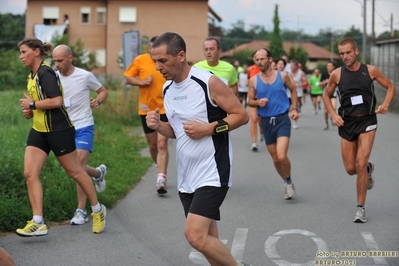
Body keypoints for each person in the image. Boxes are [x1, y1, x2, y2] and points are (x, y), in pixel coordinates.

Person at [146, 32, 250, 266]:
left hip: (212, 170)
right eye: (155, 61)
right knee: (208, 241)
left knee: (194, 235)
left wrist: (209, 129)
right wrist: (159, 126)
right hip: (186, 174)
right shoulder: (167, 89)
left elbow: (242, 116)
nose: (157, 66)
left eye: (162, 60)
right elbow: (178, 131)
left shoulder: (208, 81)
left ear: (181, 55)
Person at [17, 37, 106, 236]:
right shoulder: (32, 76)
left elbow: (56, 101)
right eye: (20, 53)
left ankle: (97, 210)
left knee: (76, 172)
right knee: (30, 173)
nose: (21, 56)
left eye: (24, 52)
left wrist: (32, 105)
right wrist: (30, 111)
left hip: (59, 130)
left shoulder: (46, 73)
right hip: (39, 130)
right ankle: (38, 221)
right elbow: (40, 103)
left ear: (36, 52)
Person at [323, 38, 396, 223]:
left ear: (356, 52)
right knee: (350, 168)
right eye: (342, 54)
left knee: (360, 163)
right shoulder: (337, 74)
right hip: (346, 123)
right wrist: (333, 114)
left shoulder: (370, 70)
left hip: (367, 120)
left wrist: (385, 104)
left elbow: (391, 86)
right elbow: (326, 94)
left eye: (348, 52)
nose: (345, 56)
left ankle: (360, 209)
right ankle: (368, 170)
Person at [53, 44, 109, 225]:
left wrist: (97, 101)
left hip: (84, 126)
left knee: (77, 167)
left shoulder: (85, 76)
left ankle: (81, 211)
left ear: (70, 58)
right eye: (55, 61)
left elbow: (103, 91)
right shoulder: (53, 77)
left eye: (60, 60)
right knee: (76, 168)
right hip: (64, 128)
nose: (57, 64)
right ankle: (98, 173)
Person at [248, 48, 299, 200]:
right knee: (275, 159)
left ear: (270, 59)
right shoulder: (254, 80)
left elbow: (294, 90)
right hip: (266, 122)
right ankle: (286, 181)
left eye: (262, 59)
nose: (259, 62)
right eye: (257, 60)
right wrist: (257, 102)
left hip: (282, 119)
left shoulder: (283, 76)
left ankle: (289, 180)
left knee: (282, 156)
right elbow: (249, 101)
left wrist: (294, 108)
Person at [124, 36, 169, 194]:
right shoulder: (140, 60)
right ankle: (159, 167)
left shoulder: (165, 60)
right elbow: (128, 78)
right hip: (146, 109)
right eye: (150, 48)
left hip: (165, 108)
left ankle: (161, 178)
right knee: (152, 145)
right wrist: (141, 82)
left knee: (162, 144)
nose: (152, 51)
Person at [247, 51, 263, 151]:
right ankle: (254, 142)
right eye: (255, 58)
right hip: (252, 97)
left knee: (260, 119)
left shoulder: (265, 69)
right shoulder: (251, 69)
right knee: (254, 119)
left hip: (263, 97)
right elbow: (250, 81)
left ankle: (262, 131)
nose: (257, 60)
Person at [290, 59, 308, 129]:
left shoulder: (301, 73)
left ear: (296, 66)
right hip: (289, 93)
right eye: (290, 65)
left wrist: (299, 85)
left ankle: (294, 122)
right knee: (291, 107)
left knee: (295, 107)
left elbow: (306, 82)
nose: (290, 66)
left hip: (298, 93)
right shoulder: (288, 73)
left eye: (292, 65)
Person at [320, 61, 338, 130]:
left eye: (330, 66)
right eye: (328, 66)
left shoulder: (336, 74)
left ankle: (332, 117)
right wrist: (325, 82)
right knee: (325, 111)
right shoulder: (324, 74)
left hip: (334, 93)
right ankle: (326, 122)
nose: (329, 67)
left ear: (333, 67)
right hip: (326, 94)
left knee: (333, 107)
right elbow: (320, 84)